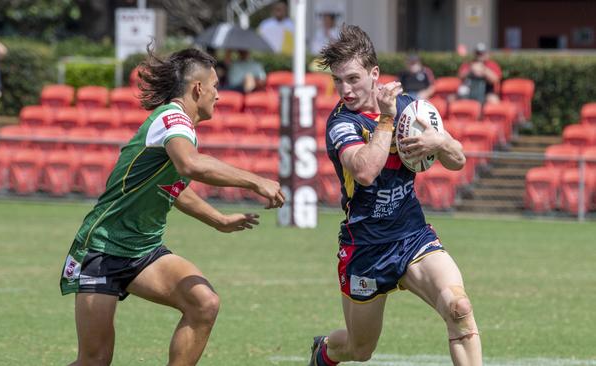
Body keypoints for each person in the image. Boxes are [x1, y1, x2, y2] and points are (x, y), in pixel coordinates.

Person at [60, 47, 285, 366]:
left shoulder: (180, 127)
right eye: (216, 86)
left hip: (142, 250)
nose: (218, 95)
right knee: (94, 361)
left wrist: (217, 219)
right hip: (102, 248)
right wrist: (254, 180)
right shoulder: (172, 118)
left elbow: (173, 189)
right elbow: (191, 165)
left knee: (203, 303)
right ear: (198, 88)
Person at [309, 25, 482, 366]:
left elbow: (458, 160)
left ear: (375, 74)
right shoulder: (342, 123)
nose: (345, 89)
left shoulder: (412, 109)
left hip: (412, 236)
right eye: (338, 81)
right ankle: (325, 350)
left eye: (353, 79)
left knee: (459, 308)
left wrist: (440, 141)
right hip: (366, 247)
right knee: (360, 350)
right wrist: (387, 119)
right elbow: (365, 170)